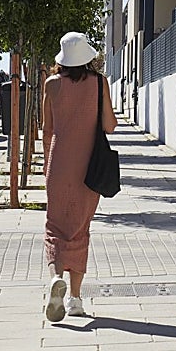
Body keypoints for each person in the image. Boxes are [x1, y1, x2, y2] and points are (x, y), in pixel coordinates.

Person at [41, 32, 118, 322]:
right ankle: (74, 299)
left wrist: (46, 166)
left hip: (58, 164)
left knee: (54, 227)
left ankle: (54, 279)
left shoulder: (51, 85)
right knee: (80, 229)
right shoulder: (99, 83)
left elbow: (47, 130)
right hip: (89, 167)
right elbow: (109, 126)